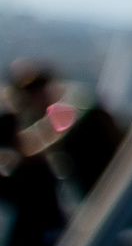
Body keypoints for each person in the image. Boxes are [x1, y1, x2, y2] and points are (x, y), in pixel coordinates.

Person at [7, 61, 123, 199]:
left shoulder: (82, 111)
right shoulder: (27, 121)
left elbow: (49, 135)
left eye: (41, 86)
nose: (40, 93)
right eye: (31, 90)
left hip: (107, 178)